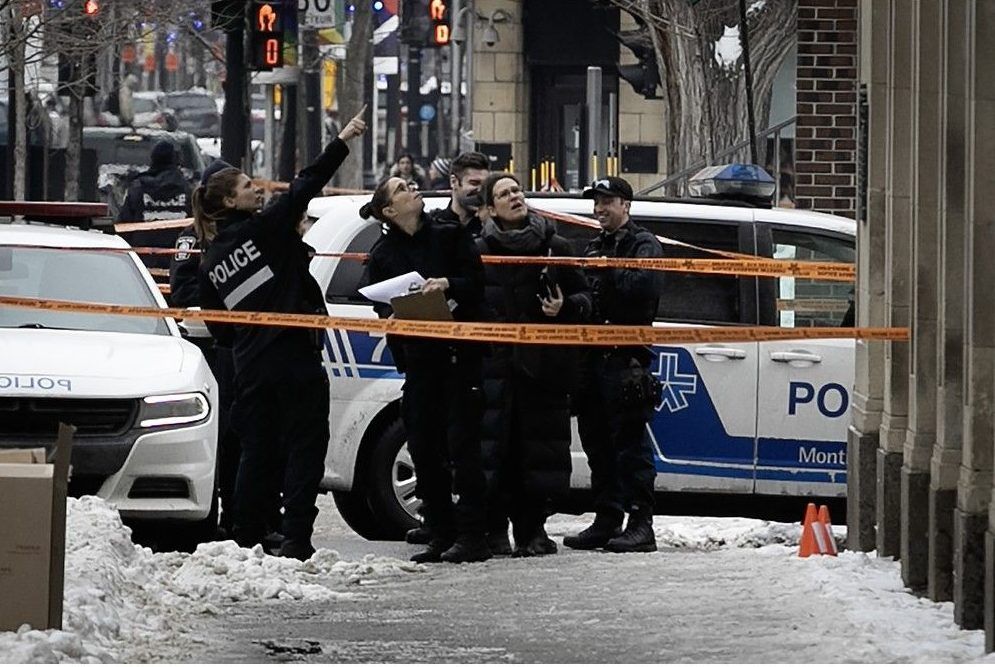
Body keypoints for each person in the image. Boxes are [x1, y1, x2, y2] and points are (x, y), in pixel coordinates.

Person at [195, 106, 368, 561]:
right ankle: (295, 537)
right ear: (231, 202)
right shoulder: (265, 230)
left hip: (251, 365)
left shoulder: (212, 259)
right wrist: (343, 139)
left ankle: (247, 534)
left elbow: (221, 327)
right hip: (294, 358)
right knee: (305, 449)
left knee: (257, 452)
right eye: (248, 187)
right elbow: (305, 186)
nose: (258, 190)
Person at [359, 177, 490, 563]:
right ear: (388, 211)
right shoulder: (383, 253)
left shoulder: (449, 235)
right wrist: (397, 309)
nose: (412, 188)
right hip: (418, 362)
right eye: (401, 188)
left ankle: (472, 536)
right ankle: (439, 530)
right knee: (422, 447)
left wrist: (448, 285)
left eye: (411, 184)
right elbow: (379, 302)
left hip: (458, 357)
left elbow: (478, 284)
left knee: (463, 449)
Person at [476, 172, 592, 557]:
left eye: (517, 190)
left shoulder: (555, 246)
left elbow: (586, 298)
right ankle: (493, 528)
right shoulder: (478, 250)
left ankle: (533, 529)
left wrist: (566, 308)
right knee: (494, 451)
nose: (514, 196)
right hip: (494, 368)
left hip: (543, 369)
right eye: (504, 193)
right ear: (492, 208)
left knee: (540, 453)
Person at [564, 176, 664, 553]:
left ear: (626, 205)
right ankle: (607, 518)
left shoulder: (643, 244)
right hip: (592, 358)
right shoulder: (595, 245)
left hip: (626, 358)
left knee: (630, 446)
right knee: (596, 443)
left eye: (607, 201)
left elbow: (645, 288)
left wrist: (608, 270)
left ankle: (641, 524)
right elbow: (588, 295)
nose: (600, 209)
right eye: (596, 202)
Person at [116, 140, 193, 286]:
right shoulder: (187, 189)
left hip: (143, 264)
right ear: (176, 160)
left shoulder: (138, 188)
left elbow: (124, 227)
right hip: (179, 261)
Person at [429, 151, 490, 235]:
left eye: (485, 185)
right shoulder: (434, 225)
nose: (480, 190)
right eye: (474, 183)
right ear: (453, 182)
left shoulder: (493, 228)